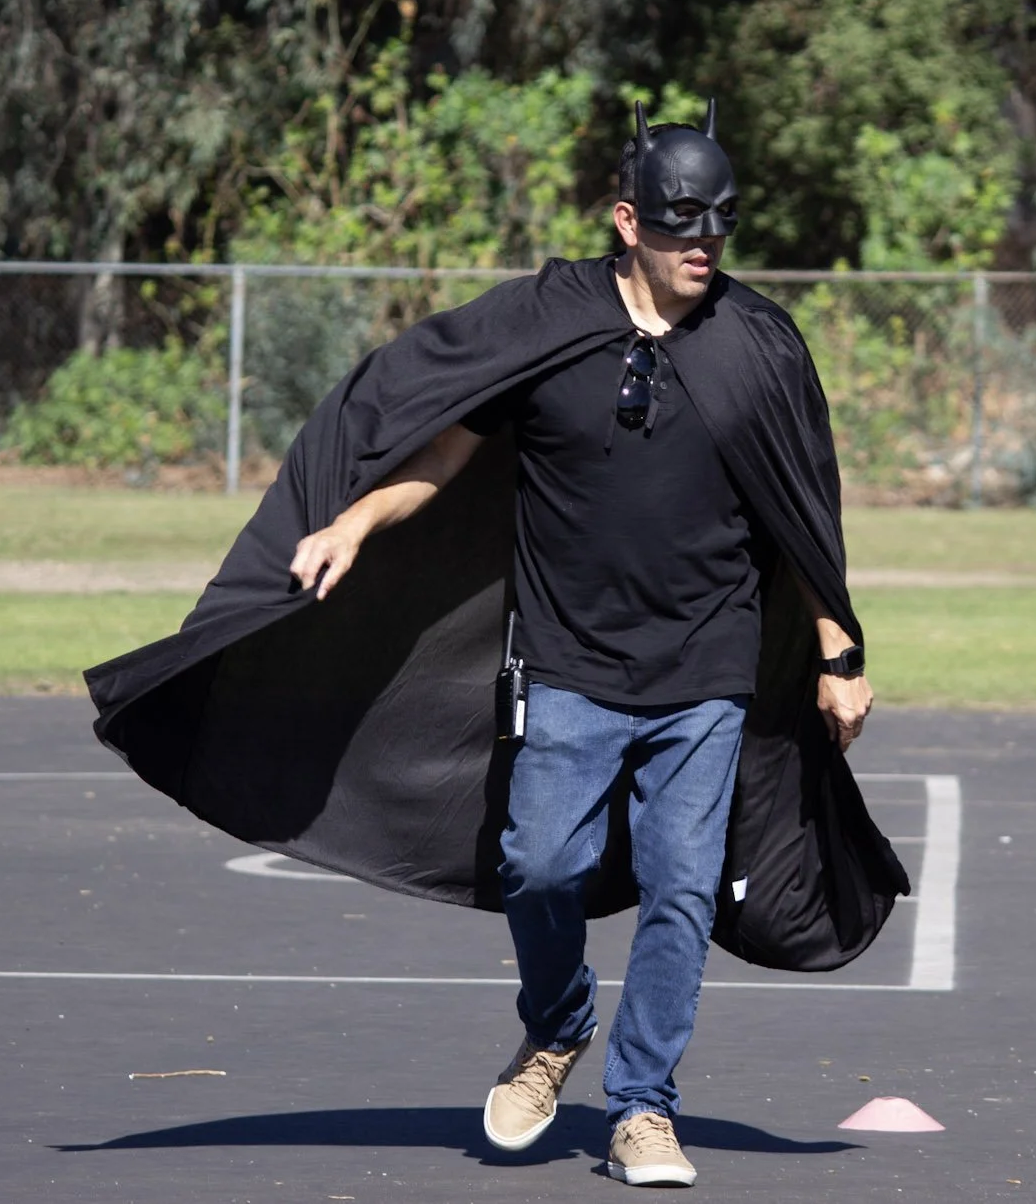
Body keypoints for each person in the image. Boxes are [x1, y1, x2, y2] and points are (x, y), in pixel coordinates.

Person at [84, 103, 908, 1189]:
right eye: (678, 224)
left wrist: (836, 655)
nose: (701, 243)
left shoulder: (753, 347)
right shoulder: (546, 324)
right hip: (567, 665)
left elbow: (801, 516)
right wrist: (350, 522)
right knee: (540, 864)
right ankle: (556, 1028)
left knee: (680, 888)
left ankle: (644, 1109)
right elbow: (438, 445)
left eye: (719, 223)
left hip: (703, 671)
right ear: (626, 221)